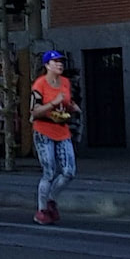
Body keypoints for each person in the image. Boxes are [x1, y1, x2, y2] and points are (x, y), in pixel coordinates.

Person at [30, 50, 80, 225]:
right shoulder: (40, 84)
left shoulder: (65, 82)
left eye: (61, 62)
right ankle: (42, 209)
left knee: (69, 171)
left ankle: (51, 198)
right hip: (44, 130)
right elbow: (34, 111)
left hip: (62, 129)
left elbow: (67, 102)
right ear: (47, 65)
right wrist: (51, 103)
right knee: (49, 171)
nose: (60, 64)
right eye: (55, 61)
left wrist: (73, 107)